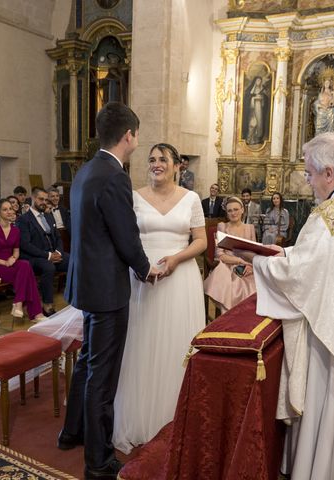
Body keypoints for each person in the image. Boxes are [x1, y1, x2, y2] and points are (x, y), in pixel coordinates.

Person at [234, 132, 334, 479]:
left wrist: (256, 259)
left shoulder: (333, 212)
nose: (308, 183)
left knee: (328, 411)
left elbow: (302, 275)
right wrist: (285, 253)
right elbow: (324, 262)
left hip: (329, 337)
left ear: (328, 173)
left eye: (309, 174)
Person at [58, 101, 158, 479]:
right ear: (129, 135)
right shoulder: (115, 175)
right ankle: (97, 462)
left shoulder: (85, 170)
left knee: (87, 363)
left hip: (86, 282)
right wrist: (146, 269)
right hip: (107, 290)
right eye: (137, 136)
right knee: (103, 373)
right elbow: (125, 234)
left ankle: (72, 432)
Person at [113, 142, 207, 453]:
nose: (156, 164)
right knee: (142, 344)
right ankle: (139, 413)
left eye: (162, 159)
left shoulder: (191, 198)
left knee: (174, 344)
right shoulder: (135, 197)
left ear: (178, 165)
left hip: (180, 280)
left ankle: (172, 416)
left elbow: (201, 241)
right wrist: (142, 266)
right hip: (143, 278)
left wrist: (178, 258)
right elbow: (126, 238)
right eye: (151, 159)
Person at [0, 199, 45, 322]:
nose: (9, 212)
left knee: (25, 267)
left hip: (10, 264)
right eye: (5, 210)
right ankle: (34, 312)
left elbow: (16, 251)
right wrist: (4, 262)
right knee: (26, 269)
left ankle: (20, 305)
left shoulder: (15, 230)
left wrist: (13, 258)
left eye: (10, 208)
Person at [17, 187, 69, 316]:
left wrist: (58, 252)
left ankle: (75, 298)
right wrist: (49, 255)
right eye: (41, 199)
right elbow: (25, 245)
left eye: (46, 200)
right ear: (33, 198)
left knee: (74, 261)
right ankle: (47, 305)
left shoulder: (49, 216)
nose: (44, 202)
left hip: (52, 254)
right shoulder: (24, 219)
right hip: (33, 257)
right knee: (49, 267)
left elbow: (57, 237)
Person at [203, 196, 257, 313]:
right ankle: (229, 320)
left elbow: (254, 253)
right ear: (226, 213)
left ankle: (247, 323)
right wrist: (240, 261)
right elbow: (220, 255)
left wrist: (249, 266)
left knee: (258, 286)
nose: (233, 213)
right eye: (230, 211)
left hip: (248, 268)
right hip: (228, 266)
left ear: (242, 210)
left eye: (236, 209)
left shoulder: (250, 228)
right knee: (234, 285)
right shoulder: (222, 227)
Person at [243, 76, 270, 145]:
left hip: (259, 109)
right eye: (258, 80)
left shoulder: (262, 90)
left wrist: (262, 98)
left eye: (260, 81)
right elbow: (248, 98)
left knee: (259, 123)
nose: (259, 82)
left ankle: (256, 139)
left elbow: (265, 100)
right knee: (252, 123)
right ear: (255, 81)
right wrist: (254, 98)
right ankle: (249, 138)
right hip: (252, 108)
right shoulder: (251, 90)